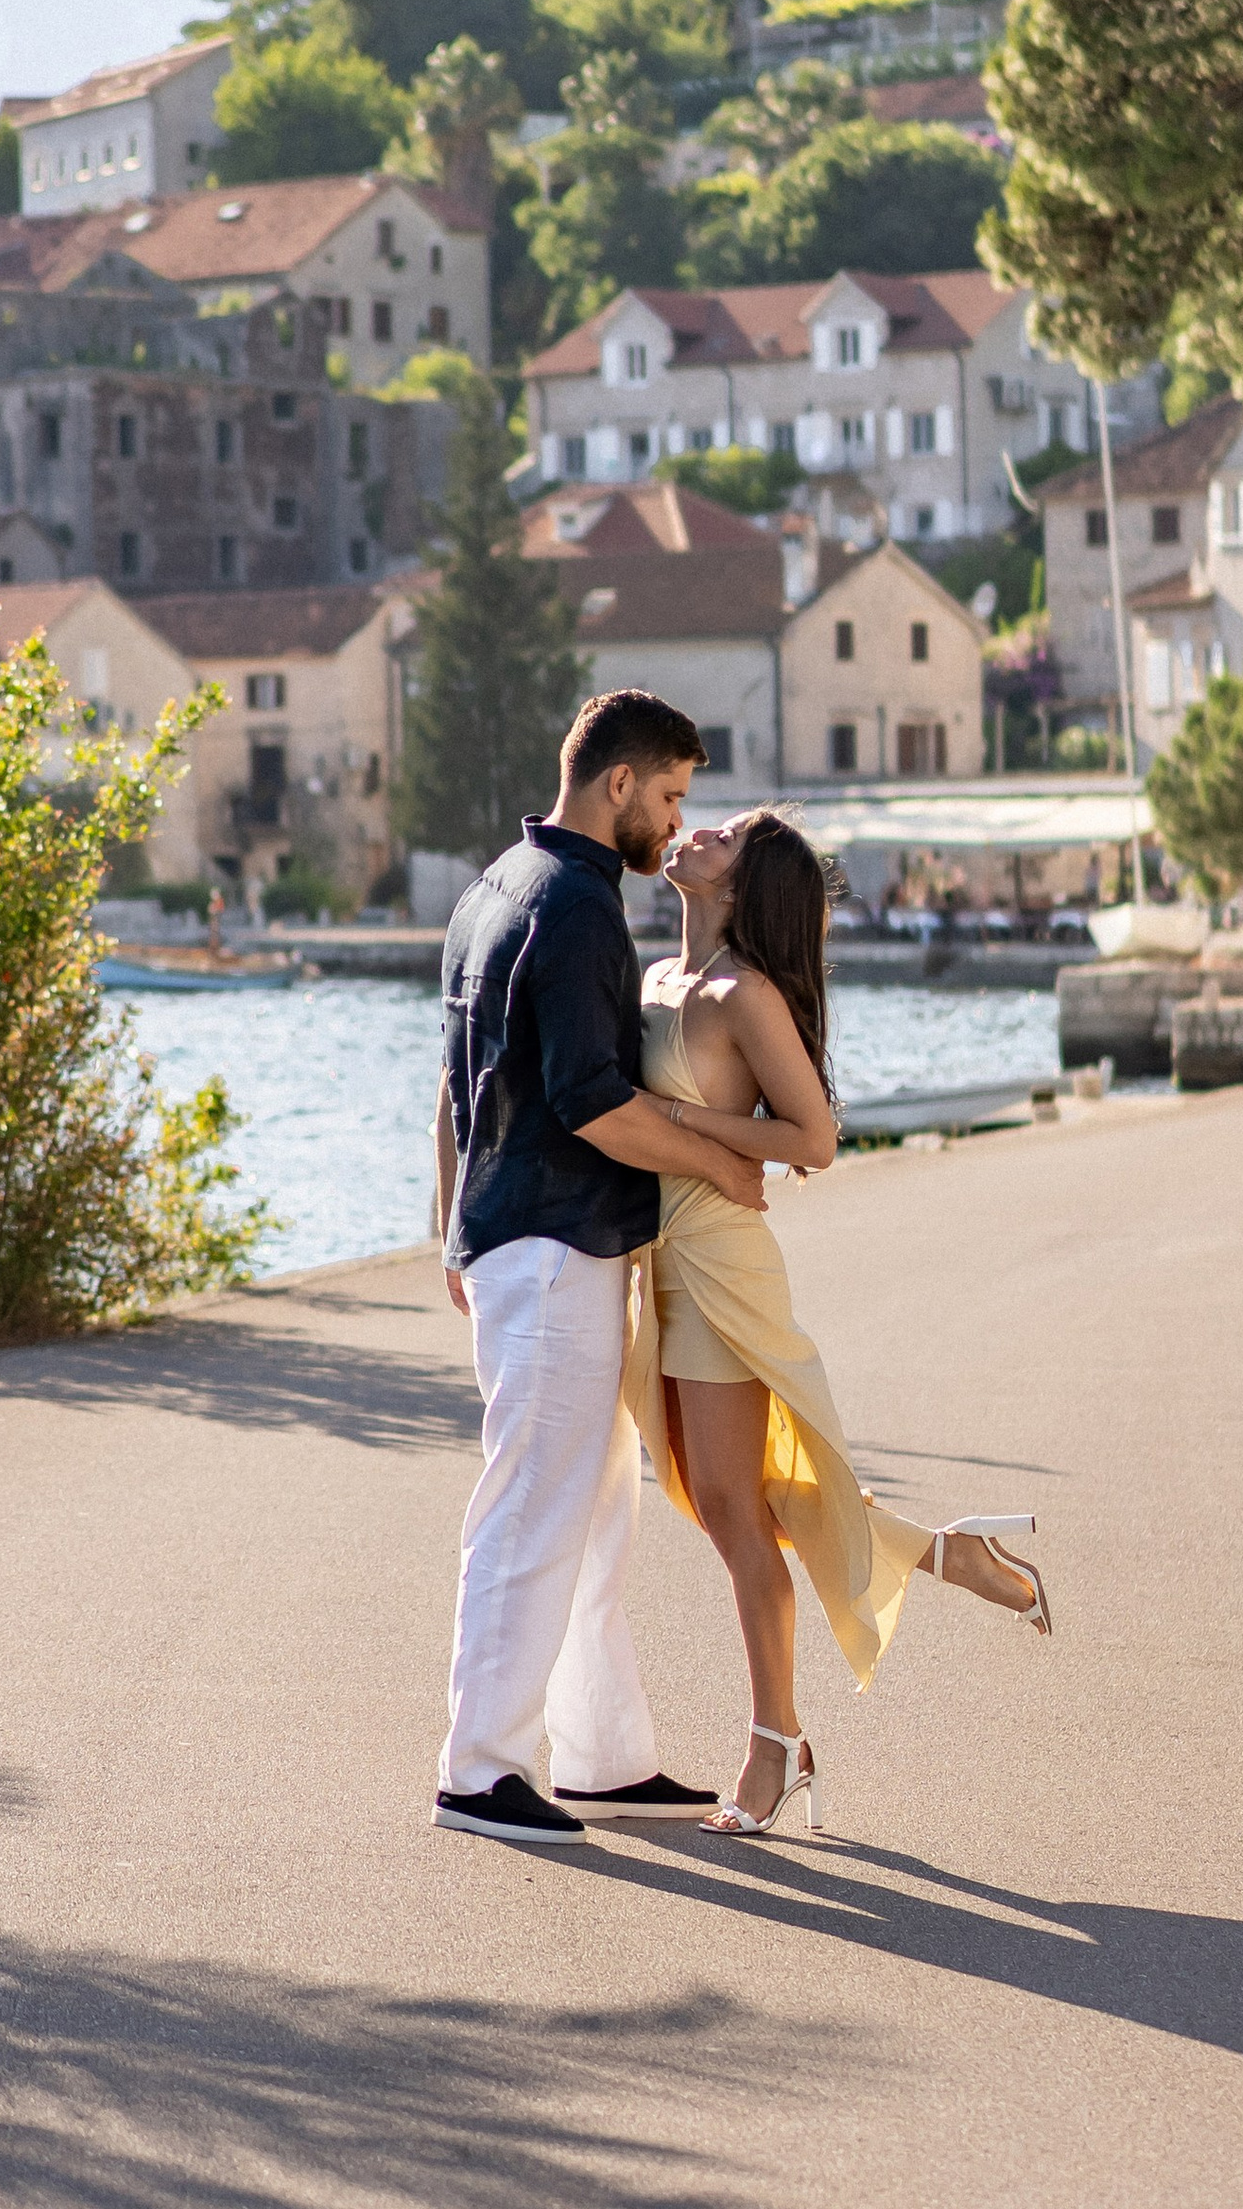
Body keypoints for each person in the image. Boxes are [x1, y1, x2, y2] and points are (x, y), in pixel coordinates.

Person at [625, 806, 1050, 1838]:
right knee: (734, 1494)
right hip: (656, 1267)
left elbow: (811, 1137)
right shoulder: (653, 978)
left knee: (733, 1508)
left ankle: (777, 1745)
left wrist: (683, 1120)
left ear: (741, 880)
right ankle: (942, 1551)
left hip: (721, 1262)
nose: (690, 831)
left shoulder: (744, 992)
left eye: (717, 833)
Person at [432, 689, 772, 1848]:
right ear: (616, 782)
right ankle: (479, 1771)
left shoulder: (493, 887)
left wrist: (451, 1225)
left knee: (592, 1514)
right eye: (668, 795)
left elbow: (455, 1083)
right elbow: (591, 1104)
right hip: (554, 1247)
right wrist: (719, 1162)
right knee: (531, 1509)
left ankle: (600, 1756)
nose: (674, 824)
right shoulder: (576, 905)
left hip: (521, 1240)